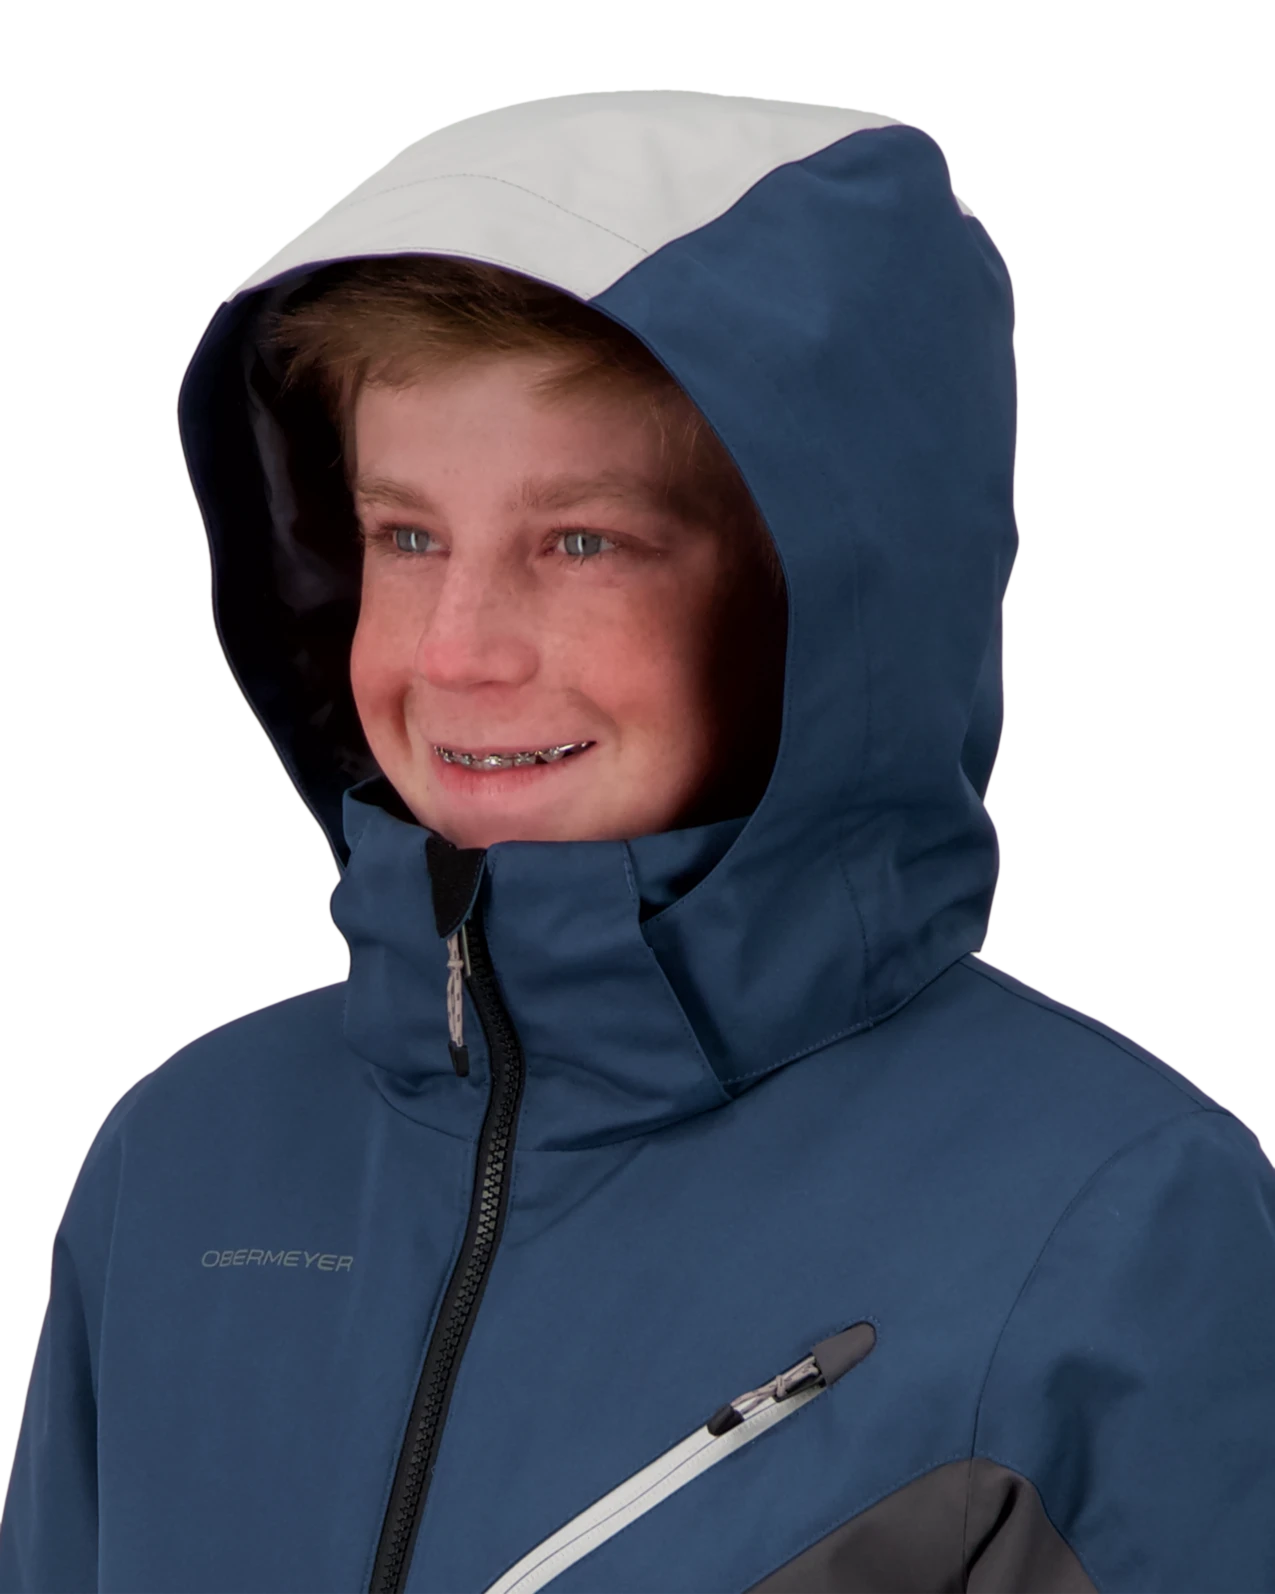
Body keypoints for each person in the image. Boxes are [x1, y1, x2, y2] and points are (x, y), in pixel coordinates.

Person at [1, 91, 1271, 1594]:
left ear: (816, 599)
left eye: (581, 542)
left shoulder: (1112, 1211)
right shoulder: (188, 1160)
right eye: (407, 536)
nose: (458, 650)